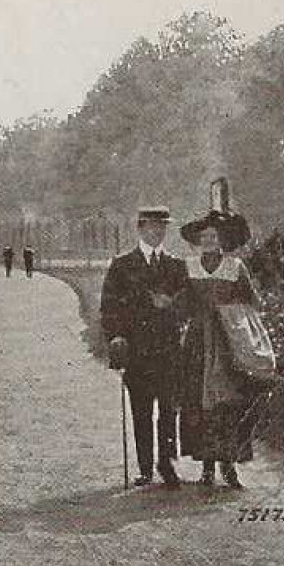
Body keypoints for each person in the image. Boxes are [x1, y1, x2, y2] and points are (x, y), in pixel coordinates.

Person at [100, 206, 190, 487]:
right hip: (137, 352)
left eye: (162, 227)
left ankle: (167, 464)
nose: (157, 232)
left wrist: (172, 305)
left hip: (168, 351)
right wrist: (115, 337)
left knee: (168, 411)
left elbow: (187, 305)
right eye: (151, 227)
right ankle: (145, 468)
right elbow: (109, 307)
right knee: (141, 411)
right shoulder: (122, 265)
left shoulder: (176, 266)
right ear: (140, 229)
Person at [174, 209, 263, 489]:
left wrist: (229, 312)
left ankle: (230, 464)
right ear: (198, 241)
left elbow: (253, 302)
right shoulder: (189, 267)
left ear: (222, 239)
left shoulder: (235, 268)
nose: (209, 241)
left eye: (214, 236)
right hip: (199, 341)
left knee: (229, 401)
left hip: (228, 340)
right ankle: (207, 467)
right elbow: (183, 304)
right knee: (200, 401)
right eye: (204, 237)